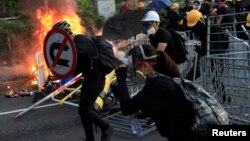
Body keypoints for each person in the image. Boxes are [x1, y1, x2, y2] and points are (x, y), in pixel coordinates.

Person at [115, 44, 207, 141]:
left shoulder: (157, 85)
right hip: (184, 132)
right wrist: (143, 112)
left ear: (145, 65)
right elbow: (163, 106)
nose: (133, 71)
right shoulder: (162, 77)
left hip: (187, 135)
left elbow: (126, 108)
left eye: (134, 67)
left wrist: (121, 77)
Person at [52, 21, 114, 141]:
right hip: (90, 78)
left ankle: (106, 127)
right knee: (84, 111)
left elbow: (80, 55)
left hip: (96, 78)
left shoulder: (79, 40)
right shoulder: (72, 44)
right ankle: (90, 138)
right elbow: (75, 66)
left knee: (84, 109)